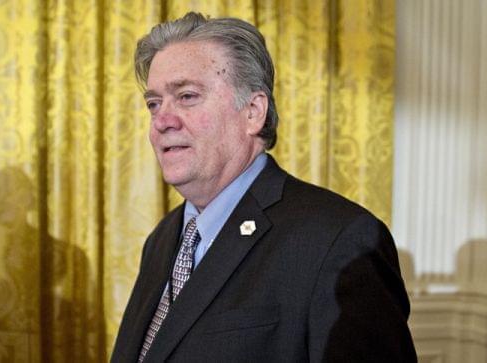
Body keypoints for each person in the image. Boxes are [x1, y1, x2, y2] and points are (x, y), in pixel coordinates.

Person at [111, 12, 416, 363]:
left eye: (187, 96)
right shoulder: (163, 239)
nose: (162, 120)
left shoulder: (337, 241)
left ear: (254, 111)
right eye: (154, 104)